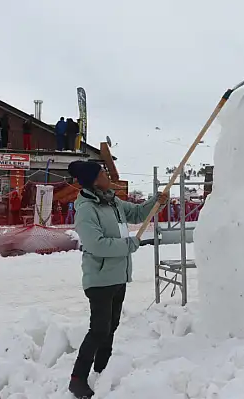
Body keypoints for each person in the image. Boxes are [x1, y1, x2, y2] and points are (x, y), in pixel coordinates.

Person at [67, 160, 167, 398]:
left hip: (118, 276)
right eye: (102, 172)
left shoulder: (112, 201)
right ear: (93, 180)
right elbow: (96, 244)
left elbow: (137, 213)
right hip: (99, 278)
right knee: (99, 329)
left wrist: (156, 202)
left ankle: (102, 368)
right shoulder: (86, 209)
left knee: (111, 326)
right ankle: (77, 378)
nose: (106, 174)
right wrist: (128, 245)